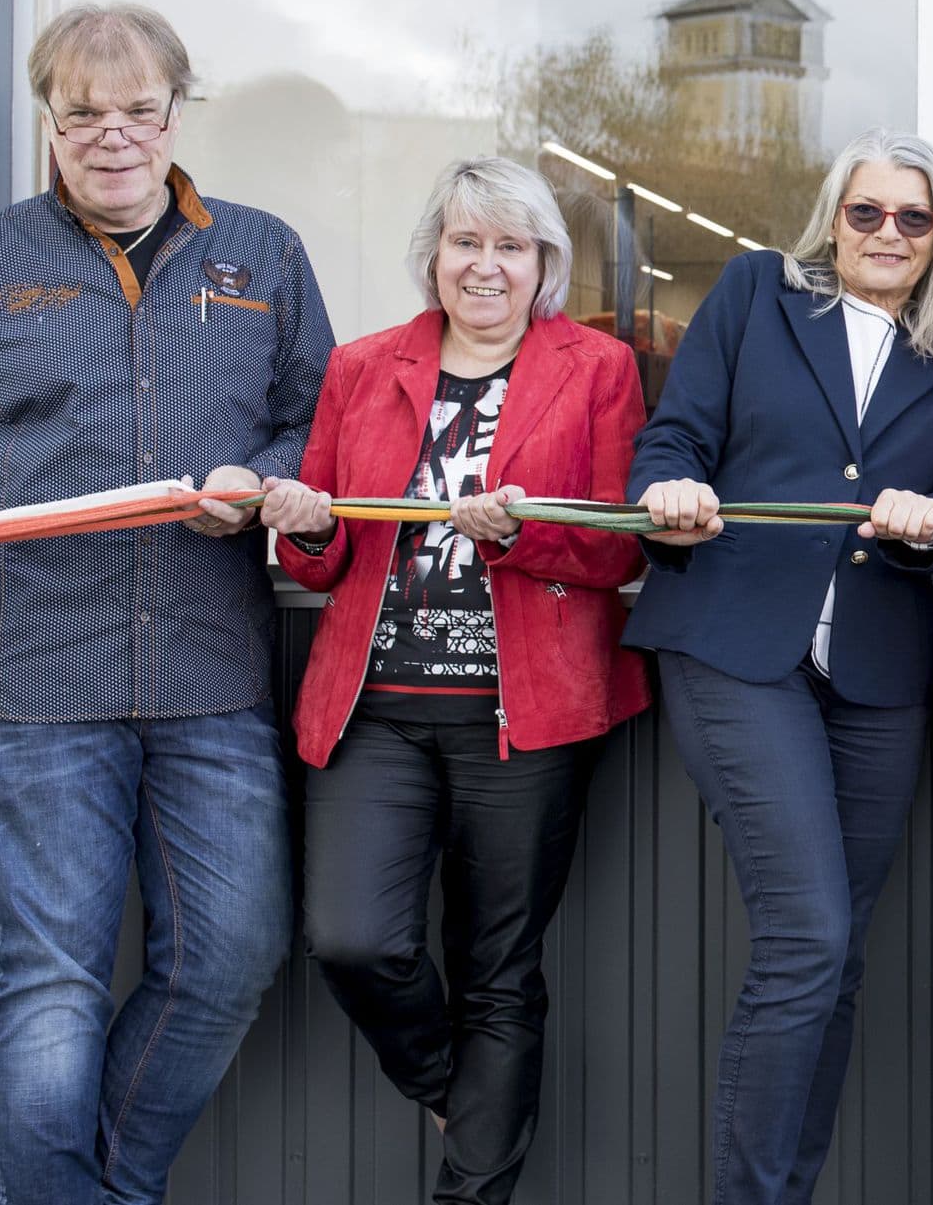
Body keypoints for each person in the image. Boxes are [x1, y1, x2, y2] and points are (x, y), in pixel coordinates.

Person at [0, 2, 331, 1203]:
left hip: (208, 664)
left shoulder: (264, 255)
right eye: (83, 116)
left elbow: (316, 423)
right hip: (28, 670)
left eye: (136, 112)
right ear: (48, 122)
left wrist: (264, 478)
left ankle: (100, 1189)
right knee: (51, 979)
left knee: (231, 956)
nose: (112, 136)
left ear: (175, 114)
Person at [258, 156, 648, 1205]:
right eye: (466, 241)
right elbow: (322, 558)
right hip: (374, 708)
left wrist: (519, 535)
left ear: (543, 263)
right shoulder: (361, 366)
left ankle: (470, 1192)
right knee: (353, 937)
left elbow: (619, 549)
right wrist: (305, 529)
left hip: (528, 714)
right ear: (434, 254)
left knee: (498, 971)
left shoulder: (599, 367)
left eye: (510, 246)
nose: (485, 265)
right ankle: (456, 1092)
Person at [625, 128, 933, 1203]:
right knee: (808, 937)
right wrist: (668, 493)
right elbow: (675, 437)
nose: (887, 233)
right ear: (834, 219)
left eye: (913, 218)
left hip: (875, 672)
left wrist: (928, 522)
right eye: (865, 211)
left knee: (837, 958)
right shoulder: (758, 293)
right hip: (738, 643)